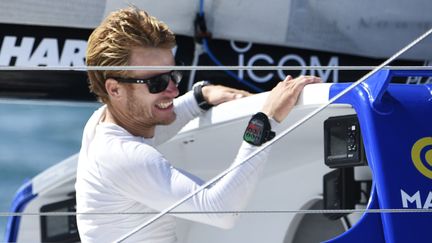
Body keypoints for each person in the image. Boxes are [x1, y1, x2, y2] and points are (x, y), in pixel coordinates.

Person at [75, 6, 321, 243]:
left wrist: (199, 98)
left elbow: (160, 125)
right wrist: (266, 119)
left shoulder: (99, 122)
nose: (173, 89)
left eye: (174, 75)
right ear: (114, 89)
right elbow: (220, 210)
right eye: (157, 83)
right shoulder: (122, 156)